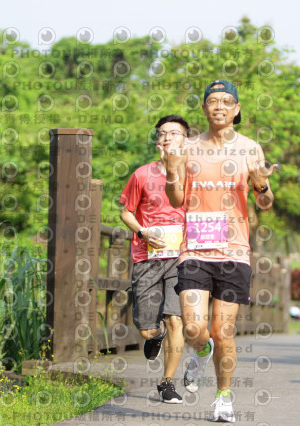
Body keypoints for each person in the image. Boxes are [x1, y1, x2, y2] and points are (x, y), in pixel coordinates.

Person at [162, 80, 278, 422]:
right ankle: (201, 351)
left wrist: (261, 184)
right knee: (197, 330)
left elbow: (266, 203)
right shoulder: (188, 148)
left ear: (237, 109)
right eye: (213, 101)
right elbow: (176, 200)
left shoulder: (251, 149)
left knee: (223, 331)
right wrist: (171, 173)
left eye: (227, 101)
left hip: (235, 252)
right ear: (204, 108)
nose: (219, 106)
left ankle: (224, 397)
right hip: (195, 249)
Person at [119, 114, 189, 404]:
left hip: (182, 258)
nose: (167, 137)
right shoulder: (142, 174)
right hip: (147, 255)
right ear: (157, 141)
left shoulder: (194, 174)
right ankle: (155, 335)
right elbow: (125, 212)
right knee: (148, 329)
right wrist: (143, 232)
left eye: (174, 133)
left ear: (186, 140)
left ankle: (167, 382)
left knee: (177, 320)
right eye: (162, 133)